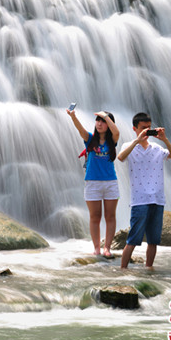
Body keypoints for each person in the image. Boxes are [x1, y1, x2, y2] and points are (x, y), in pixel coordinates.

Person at [118, 112, 171, 268]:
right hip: (139, 200)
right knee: (132, 239)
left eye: (149, 128)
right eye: (143, 128)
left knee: (153, 240)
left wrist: (164, 139)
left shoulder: (157, 148)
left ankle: (149, 268)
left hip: (157, 198)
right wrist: (137, 141)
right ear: (135, 129)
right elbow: (121, 157)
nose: (146, 131)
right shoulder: (128, 146)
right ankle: (123, 270)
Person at [67, 108, 120, 257]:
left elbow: (116, 132)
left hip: (110, 182)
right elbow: (80, 129)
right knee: (95, 216)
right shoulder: (90, 139)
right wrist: (73, 116)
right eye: (98, 120)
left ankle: (107, 248)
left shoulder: (112, 141)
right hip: (92, 183)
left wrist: (105, 116)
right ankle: (97, 247)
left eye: (103, 121)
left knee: (110, 216)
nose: (100, 123)